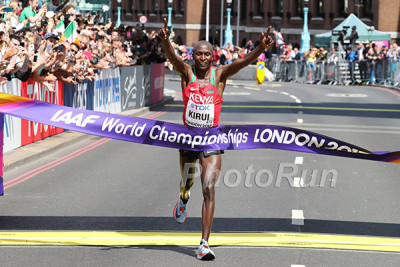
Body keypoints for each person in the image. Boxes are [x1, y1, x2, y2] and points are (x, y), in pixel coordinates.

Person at [158, 18, 274, 261]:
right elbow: (173, 58)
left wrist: (260, 49)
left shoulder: (220, 75)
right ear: (193, 55)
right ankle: (183, 197)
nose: (202, 58)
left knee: (209, 188)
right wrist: (166, 41)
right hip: (188, 139)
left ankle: (203, 244)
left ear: (212, 57)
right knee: (187, 183)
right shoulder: (186, 72)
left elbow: (242, 62)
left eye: (206, 55)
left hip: (212, 140)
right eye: (198, 54)